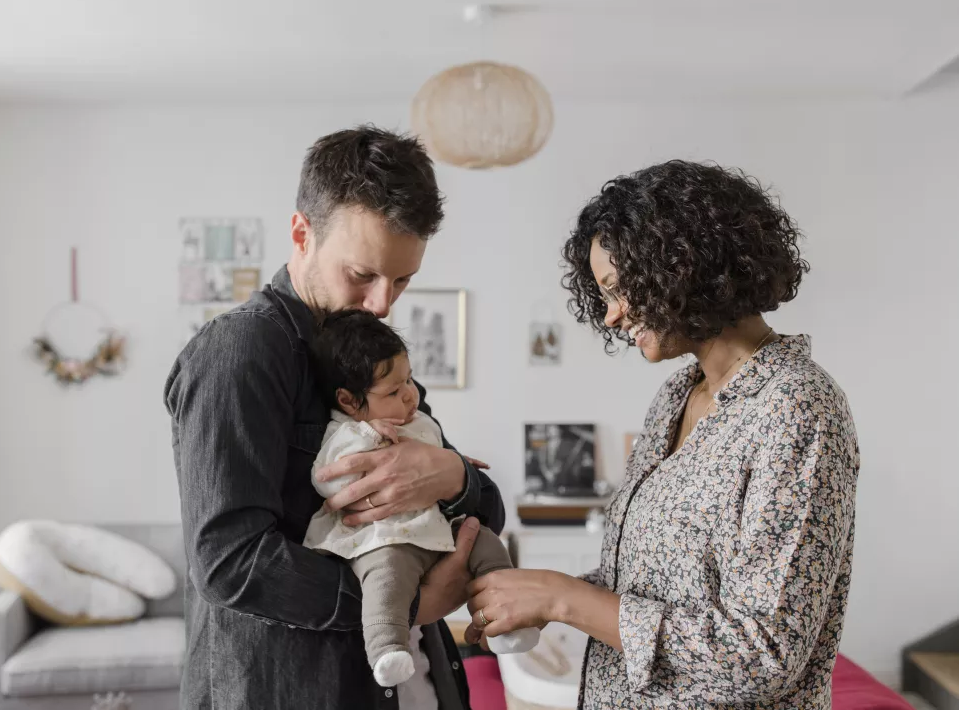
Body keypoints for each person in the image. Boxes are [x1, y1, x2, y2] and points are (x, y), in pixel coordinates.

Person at [465, 160, 860, 709]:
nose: (611, 316)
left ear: (682, 266)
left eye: (618, 288)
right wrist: (535, 593)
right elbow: (650, 584)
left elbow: (764, 655)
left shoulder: (797, 407)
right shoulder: (676, 396)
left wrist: (564, 599)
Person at [164, 126, 505, 710]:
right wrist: (404, 605)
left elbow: (486, 508)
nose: (382, 303)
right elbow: (229, 565)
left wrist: (453, 476)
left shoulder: (367, 356)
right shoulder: (240, 355)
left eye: (402, 280)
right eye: (363, 275)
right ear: (302, 233)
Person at [304, 310, 538, 687]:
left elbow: (448, 465)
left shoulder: (417, 420)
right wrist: (368, 435)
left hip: (434, 527)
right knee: (386, 573)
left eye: (409, 379)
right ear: (349, 401)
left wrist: (455, 465)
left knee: (488, 544)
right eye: (394, 392)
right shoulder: (346, 432)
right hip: (384, 536)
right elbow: (327, 481)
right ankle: (386, 647)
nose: (410, 394)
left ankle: (507, 623)